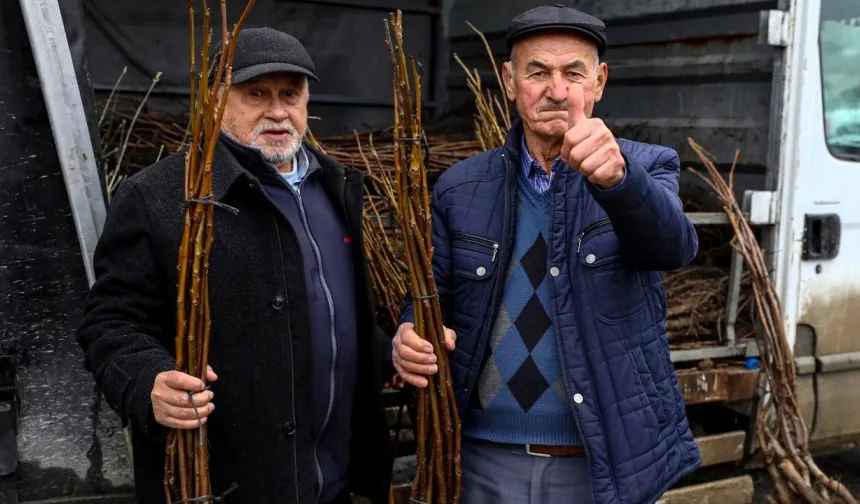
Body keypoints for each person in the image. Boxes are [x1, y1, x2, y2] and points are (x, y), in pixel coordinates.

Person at [391, 4, 702, 504]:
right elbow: (433, 294)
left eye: (573, 73)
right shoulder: (461, 186)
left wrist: (620, 182)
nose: (557, 91)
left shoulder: (645, 166)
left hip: (601, 464)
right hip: (483, 459)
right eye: (538, 72)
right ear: (510, 81)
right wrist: (408, 333)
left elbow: (674, 247)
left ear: (599, 82)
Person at [76, 27, 394, 504]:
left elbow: (332, 313)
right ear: (214, 101)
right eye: (255, 94)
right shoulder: (160, 197)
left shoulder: (336, 188)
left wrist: (390, 353)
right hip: (226, 485)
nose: (277, 111)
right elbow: (109, 323)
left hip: (335, 482)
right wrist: (147, 382)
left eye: (291, 93)